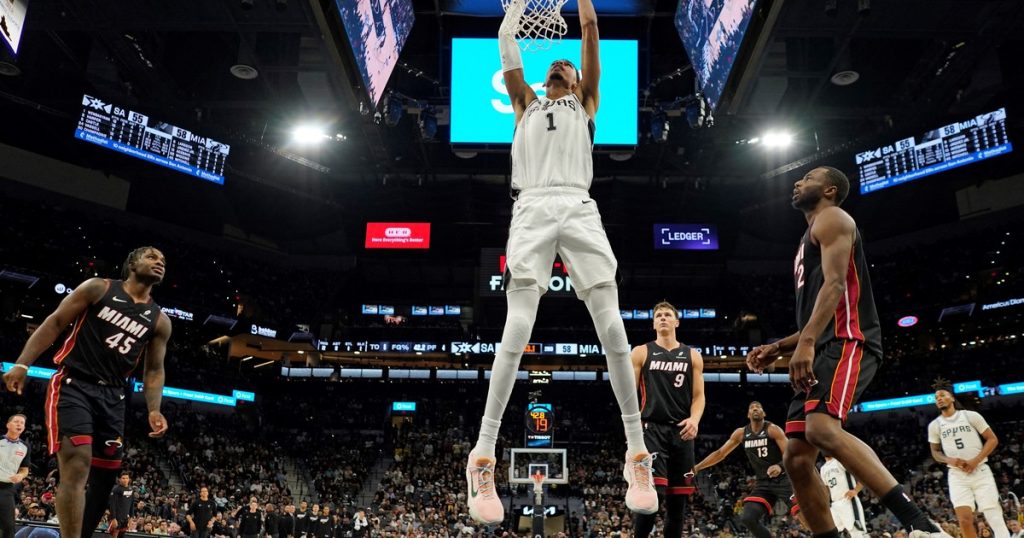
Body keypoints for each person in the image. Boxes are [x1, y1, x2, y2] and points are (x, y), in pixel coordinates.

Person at [465, 0, 657, 524]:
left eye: (567, 66)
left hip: (577, 204)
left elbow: (591, 27)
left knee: (613, 328)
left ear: (576, 79)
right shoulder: (525, 103)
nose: (560, 66)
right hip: (529, 204)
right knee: (517, 327)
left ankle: (635, 453)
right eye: (556, 65)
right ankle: (481, 455)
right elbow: (508, 50)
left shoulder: (586, 102)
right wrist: (516, 12)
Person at [746, 166, 950, 538]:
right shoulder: (808, 236)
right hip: (826, 342)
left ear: (828, 189)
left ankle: (921, 525)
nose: (796, 182)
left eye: (807, 178)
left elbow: (837, 285)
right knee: (795, 458)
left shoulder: (833, 218)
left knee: (822, 429)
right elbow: (817, 314)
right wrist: (779, 345)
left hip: (848, 342)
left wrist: (805, 343)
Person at [2, 246, 171, 538]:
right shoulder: (98, 288)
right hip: (74, 385)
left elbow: (154, 370)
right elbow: (55, 322)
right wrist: (22, 363)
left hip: (114, 396)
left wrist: (154, 408)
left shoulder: (159, 320)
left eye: (163, 261)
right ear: (131, 262)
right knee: (78, 463)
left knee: (106, 477)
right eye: (152, 257)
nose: (160, 263)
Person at [630, 301, 705, 537]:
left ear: (676, 322)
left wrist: (694, 419)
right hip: (651, 429)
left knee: (677, 505)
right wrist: (631, 432)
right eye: (658, 315)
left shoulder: (692, 355)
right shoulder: (641, 351)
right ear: (653, 323)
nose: (663, 318)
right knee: (652, 499)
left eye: (667, 315)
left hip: (682, 433)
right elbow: (629, 394)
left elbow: (699, 396)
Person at [693, 401, 789, 538]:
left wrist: (779, 466)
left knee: (802, 513)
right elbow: (720, 453)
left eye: (759, 407)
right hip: (764, 483)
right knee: (748, 518)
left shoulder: (773, 429)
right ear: (748, 414)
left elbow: (790, 454)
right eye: (752, 408)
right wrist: (698, 467)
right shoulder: (741, 433)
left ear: (764, 413)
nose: (755, 408)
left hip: (784, 479)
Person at [927, 386, 1009, 538]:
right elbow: (935, 452)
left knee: (993, 515)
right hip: (957, 474)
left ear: (952, 398)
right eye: (936, 397)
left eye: (942, 395)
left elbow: (992, 439)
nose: (938, 398)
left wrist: (975, 461)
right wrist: (947, 459)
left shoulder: (970, 416)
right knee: (964, 520)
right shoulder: (935, 425)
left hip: (980, 470)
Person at [818, 456, 868, 537]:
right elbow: (826, 489)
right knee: (830, 532)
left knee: (857, 533)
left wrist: (856, 490)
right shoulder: (823, 469)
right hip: (834, 504)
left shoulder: (840, 460)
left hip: (848, 501)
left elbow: (862, 473)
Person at [0, 414, 30, 538]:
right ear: (8, 425)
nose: (19, 424)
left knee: (9, 527)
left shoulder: (25, 447)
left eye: (22, 423)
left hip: (7, 488)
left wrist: (20, 475)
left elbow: (25, 469)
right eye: (16, 421)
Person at [107, 471, 134, 538]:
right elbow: (112, 504)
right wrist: (113, 518)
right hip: (116, 517)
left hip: (125, 518)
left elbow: (132, 504)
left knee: (121, 536)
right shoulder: (116, 489)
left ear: (129, 479)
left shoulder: (131, 489)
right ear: (119, 479)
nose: (125, 480)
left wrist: (131, 517)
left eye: (127, 478)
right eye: (123, 478)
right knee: (114, 535)